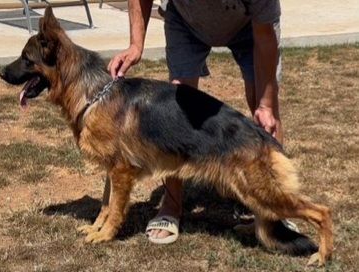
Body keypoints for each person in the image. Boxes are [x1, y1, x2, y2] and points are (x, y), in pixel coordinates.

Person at [109, 0, 284, 244]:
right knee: (177, 111)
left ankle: (275, 212)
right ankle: (171, 206)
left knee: (265, 112)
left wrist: (265, 105)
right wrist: (136, 45)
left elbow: (265, 38)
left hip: (248, 26)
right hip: (186, 22)